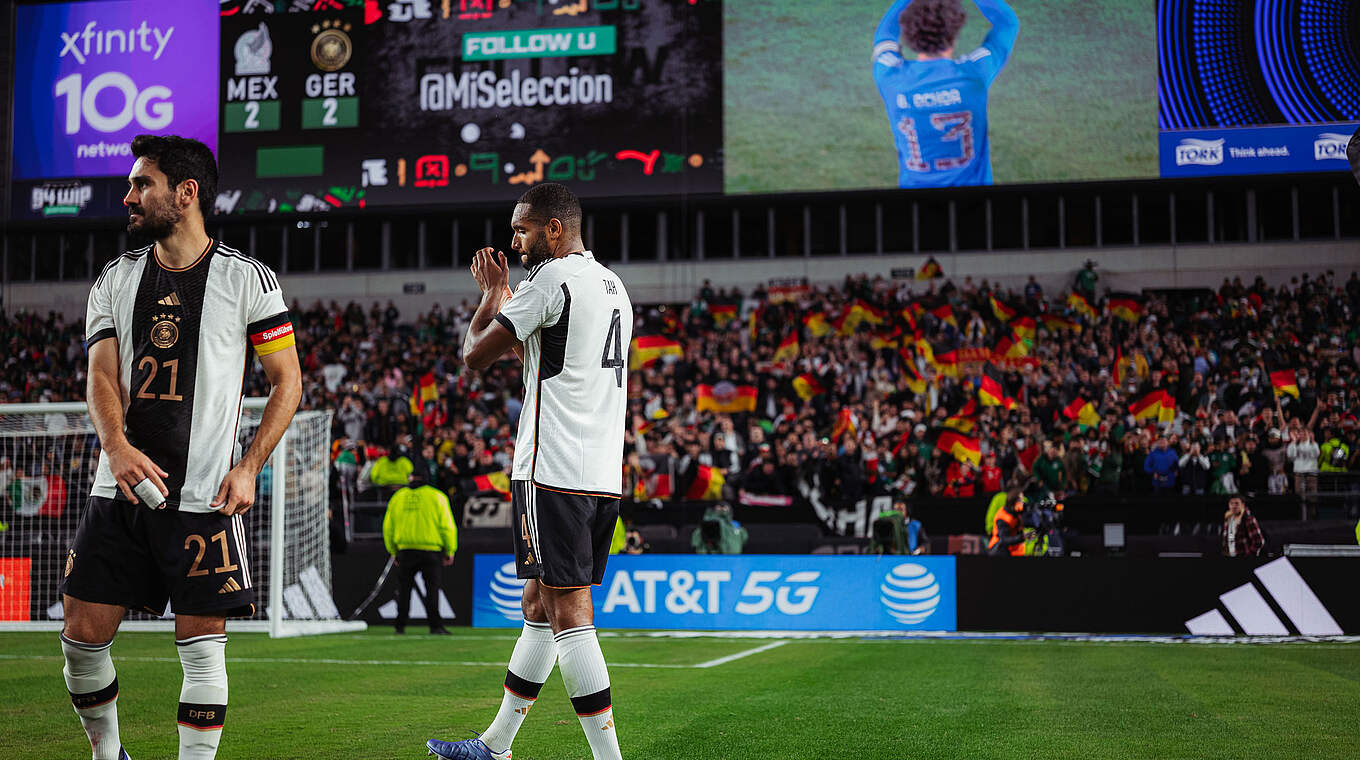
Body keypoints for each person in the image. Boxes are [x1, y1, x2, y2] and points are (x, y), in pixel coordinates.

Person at [60, 135, 300, 760]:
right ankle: (108, 755)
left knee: (200, 647)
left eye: (143, 184)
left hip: (205, 497)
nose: (129, 195)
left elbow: (287, 383)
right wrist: (114, 445)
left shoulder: (248, 279)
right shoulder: (116, 277)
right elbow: (102, 375)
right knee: (82, 640)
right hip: (120, 492)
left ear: (186, 193)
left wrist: (249, 466)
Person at [428, 183, 630, 760]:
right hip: (600, 472)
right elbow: (546, 356)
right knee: (538, 604)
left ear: (555, 229)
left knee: (568, 609)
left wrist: (493, 295)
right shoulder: (613, 286)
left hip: (553, 468)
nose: (513, 240)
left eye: (522, 229)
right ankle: (495, 745)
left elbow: (474, 355)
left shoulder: (550, 280)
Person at [872, 0, 1019, 188]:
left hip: (915, 209)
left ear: (908, 33)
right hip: (975, 207)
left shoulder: (890, 77)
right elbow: (1007, 22)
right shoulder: (974, 74)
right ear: (954, 33)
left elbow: (884, 34)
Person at [382, 459, 456, 635]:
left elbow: (388, 527)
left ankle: (400, 626)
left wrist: (393, 550)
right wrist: (450, 549)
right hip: (431, 550)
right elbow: (447, 526)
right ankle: (435, 626)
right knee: (432, 589)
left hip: (405, 549)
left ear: (410, 477)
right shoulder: (437, 496)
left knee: (404, 589)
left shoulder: (398, 497)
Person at [987, 489, 1033, 556]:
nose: (1022, 502)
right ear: (1013, 502)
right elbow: (1004, 539)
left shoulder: (1019, 512)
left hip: (1016, 550)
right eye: (1020, 500)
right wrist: (1022, 537)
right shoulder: (1002, 517)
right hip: (999, 549)